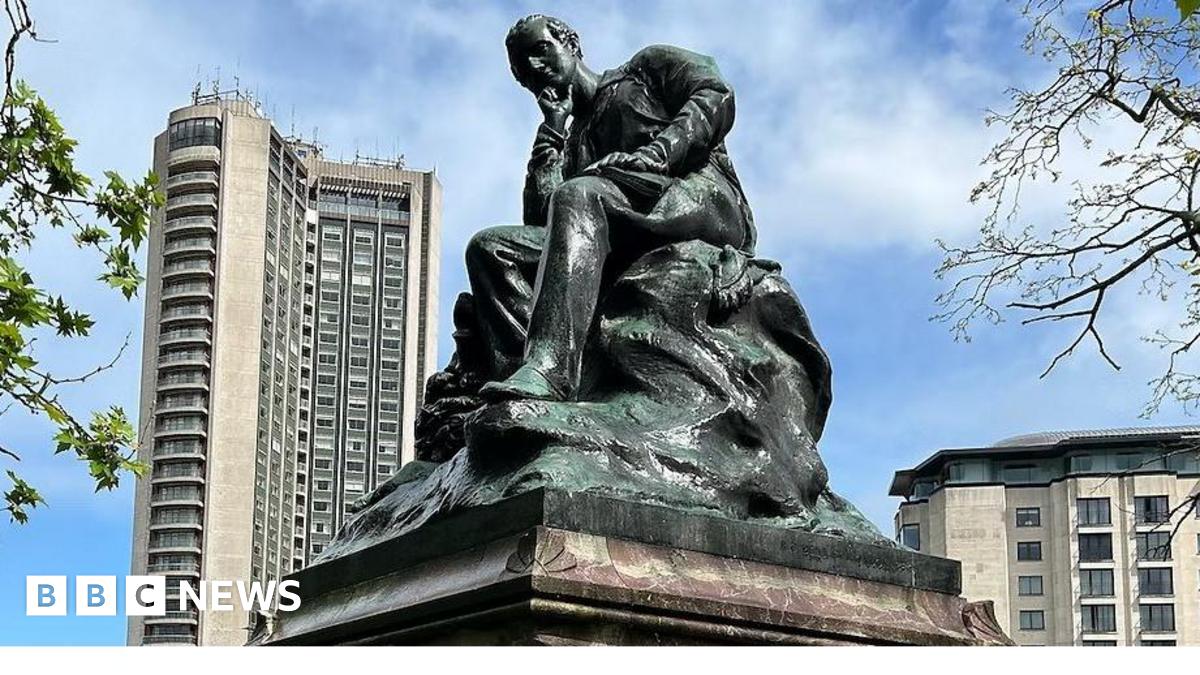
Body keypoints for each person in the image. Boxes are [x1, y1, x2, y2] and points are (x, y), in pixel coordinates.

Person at [468, 13, 755, 402]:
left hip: (695, 200)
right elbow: (547, 228)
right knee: (490, 248)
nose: (535, 68)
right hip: (622, 222)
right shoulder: (571, 142)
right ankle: (522, 389)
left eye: (540, 51)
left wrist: (659, 153)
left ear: (570, 44)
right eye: (523, 71)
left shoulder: (644, 69)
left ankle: (550, 371)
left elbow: (714, 94)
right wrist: (552, 132)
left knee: (580, 195)